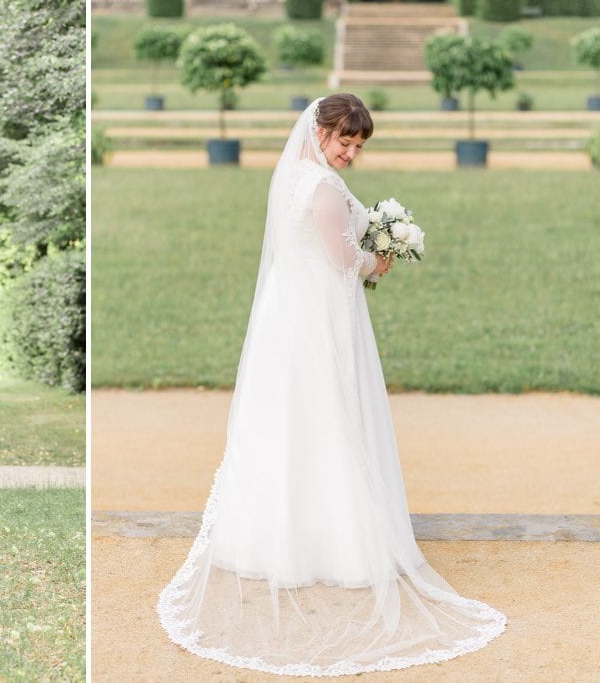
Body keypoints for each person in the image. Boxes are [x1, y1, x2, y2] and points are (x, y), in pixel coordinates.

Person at [157, 95, 506, 675]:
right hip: (315, 317)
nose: (350, 153)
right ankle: (338, 546)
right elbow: (341, 258)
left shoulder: (295, 174)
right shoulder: (318, 187)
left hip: (289, 312)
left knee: (295, 419)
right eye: (344, 140)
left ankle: (280, 537)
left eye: (358, 146)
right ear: (318, 131)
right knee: (326, 414)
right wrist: (380, 260)